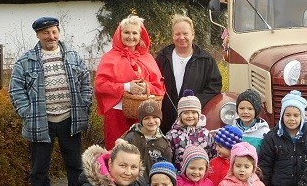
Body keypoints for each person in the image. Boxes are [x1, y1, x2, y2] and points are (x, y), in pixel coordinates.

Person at [9, 16, 93, 186]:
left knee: (75, 167)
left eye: (54, 31)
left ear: (59, 32)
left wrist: (84, 104)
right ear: (38, 35)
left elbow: (86, 82)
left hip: (69, 120)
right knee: (39, 169)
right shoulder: (25, 61)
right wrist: (27, 112)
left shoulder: (73, 56)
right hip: (41, 122)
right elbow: (16, 89)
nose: (51, 36)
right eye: (46, 33)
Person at [95, 15, 165, 150]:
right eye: (126, 32)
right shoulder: (109, 58)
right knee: (117, 151)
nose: (130, 36)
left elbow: (159, 86)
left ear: (140, 36)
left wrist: (146, 86)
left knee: (142, 151)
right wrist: (127, 87)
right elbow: (100, 86)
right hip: (116, 114)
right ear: (119, 34)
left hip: (143, 114)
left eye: (135, 33)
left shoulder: (148, 58)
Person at [156, 14, 223, 133]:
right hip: (165, 121)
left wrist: (194, 103)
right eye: (177, 34)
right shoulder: (162, 58)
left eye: (185, 34)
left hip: (193, 122)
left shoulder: (205, 59)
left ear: (192, 35)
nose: (181, 37)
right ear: (172, 36)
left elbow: (214, 86)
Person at [164, 90, 215, 170]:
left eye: (194, 112)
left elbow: (212, 157)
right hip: (179, 177)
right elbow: (168, 159)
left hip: (200, 176)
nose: (190, 116)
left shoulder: (206, 134)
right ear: (180, 115)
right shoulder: (172, 135)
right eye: (186, 113)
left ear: (199, 115)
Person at [121, 98, 172, 175]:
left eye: (155, 117)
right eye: (146, 118)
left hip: (152, 184)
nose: (151, 121)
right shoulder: (130, 137)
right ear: (141, 121)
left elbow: (167, 169)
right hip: (131, 181)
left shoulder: (164, 144)